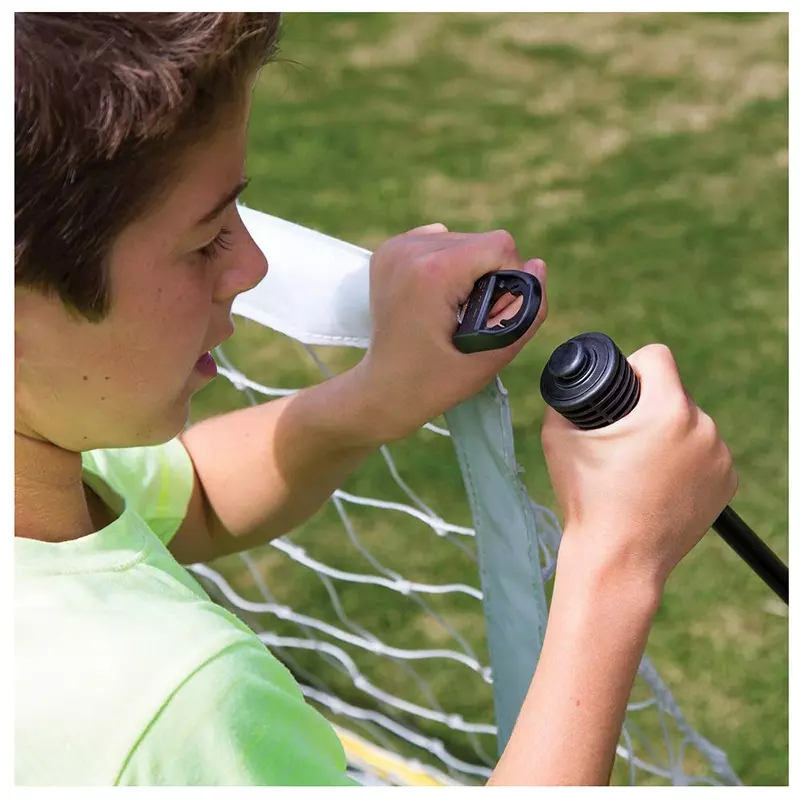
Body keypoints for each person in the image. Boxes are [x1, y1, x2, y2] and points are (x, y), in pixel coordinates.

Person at [14, 12, 737, 787]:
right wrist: (617, 562)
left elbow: (189, 500)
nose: (251, 266)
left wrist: (375, 398)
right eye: (204, 241)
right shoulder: (172, 706)